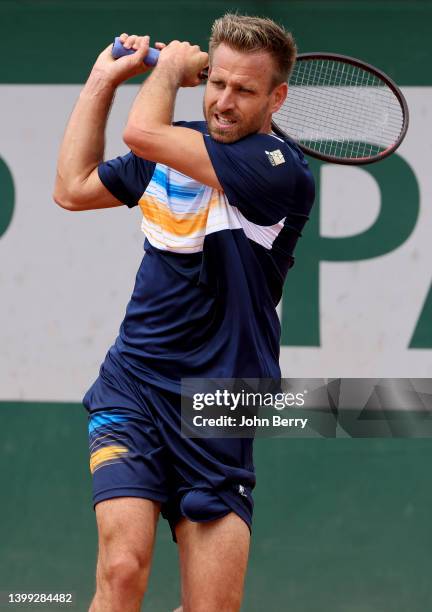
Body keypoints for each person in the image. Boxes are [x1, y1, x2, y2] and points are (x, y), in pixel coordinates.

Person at [54, 13, 314, 612]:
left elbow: (143, 134)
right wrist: (102, 80)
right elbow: (72, 186)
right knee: (121, 571)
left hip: (219, 405)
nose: (224, 101)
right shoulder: (175, 147)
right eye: (217, 82)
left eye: (244, 90)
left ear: (277, 96)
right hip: (134, 386)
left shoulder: (278, 170)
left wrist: (168, 70)